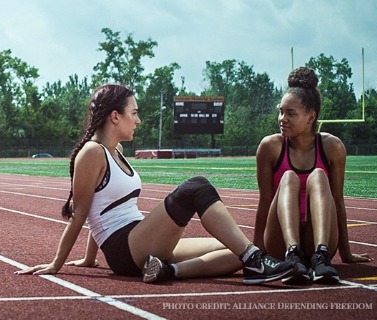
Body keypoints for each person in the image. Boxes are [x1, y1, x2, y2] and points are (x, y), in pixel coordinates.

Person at [16, 84, 295, 285]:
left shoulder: (116, 152)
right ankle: (256, 260)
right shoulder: (92, 152)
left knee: (235, 250)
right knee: (196, 187)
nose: (138, 120)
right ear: (115, 116)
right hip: (125, 248)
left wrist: (90, 258)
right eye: (134, 113)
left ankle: (166, 271)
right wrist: (57, 264)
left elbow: (102, 206)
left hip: (140, 240)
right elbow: (82, 213)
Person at [253, 67, 372, 284]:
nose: (282, 118)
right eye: (281, 111)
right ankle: (293, 253)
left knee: (318, 175)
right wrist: (255, 255)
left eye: (290, 113)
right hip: (281, 239)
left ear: (310, 117)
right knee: (289, 177)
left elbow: (337, 201)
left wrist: (345, 253)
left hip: (318, 237)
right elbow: (265, 203)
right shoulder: (270, 147)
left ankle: (321, 256)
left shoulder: (332, 146)